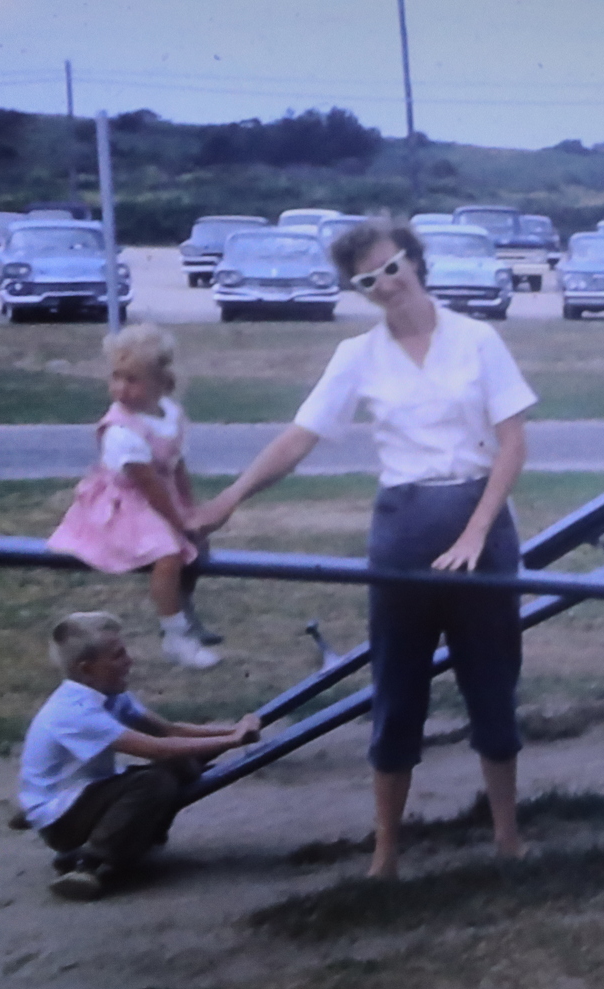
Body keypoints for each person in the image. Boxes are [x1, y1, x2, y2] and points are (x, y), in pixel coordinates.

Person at [193, 218, 538, 879]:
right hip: (402, 529)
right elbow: (300, 437)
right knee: (396, 689)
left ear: (414, 260)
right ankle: (385, 854)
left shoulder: (477, 339)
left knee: (492, 687)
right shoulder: (358, 355)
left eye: (391, 267)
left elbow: (513, 444)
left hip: (482, 526)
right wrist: (227, 501)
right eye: (367, 279)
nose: (385, 285)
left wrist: (473, 532)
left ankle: (507, 838)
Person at [19, 612, 261, 900]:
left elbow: (168, 731)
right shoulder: (75, 712)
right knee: (153, 783)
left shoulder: (111, 694)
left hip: (80, 795)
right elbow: (154, 748)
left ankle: (125, 843)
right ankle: (89, 864)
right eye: (117, 655)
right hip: (60, 820)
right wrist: (233, 740)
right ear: (87, 669)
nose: (129, 661)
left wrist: (232, 731)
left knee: (175, 766)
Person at [47, 325, 222, 669]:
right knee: (169, 553)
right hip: (126, 503)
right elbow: (148, 487)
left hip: (159, 494)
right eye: (116, 378)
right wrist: (178, 521)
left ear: (163, 384)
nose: (120, 389)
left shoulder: (170, 415)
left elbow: (176, 466)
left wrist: (192, 510)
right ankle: (174, 636)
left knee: (198, 546)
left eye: (133, 380)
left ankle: (186, 613)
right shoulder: (121, 431)